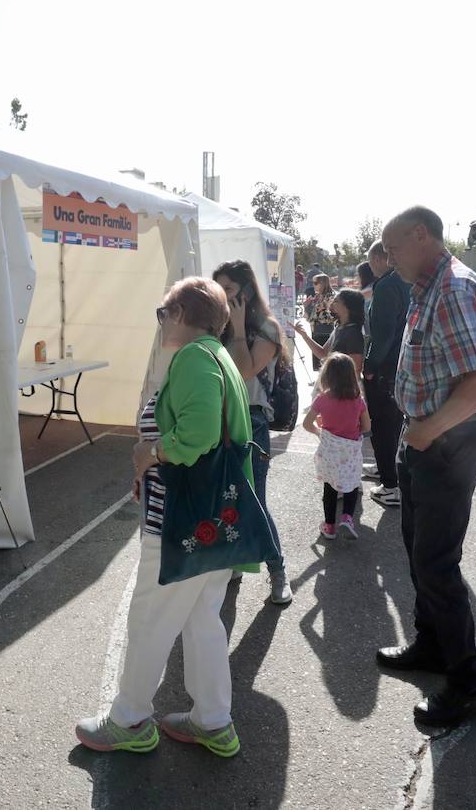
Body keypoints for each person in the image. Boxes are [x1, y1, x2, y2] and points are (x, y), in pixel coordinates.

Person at [75, 277, 248, 757]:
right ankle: (213, 721)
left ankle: (129, 718)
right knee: (201, 622)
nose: (160, 321)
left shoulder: (194, 358)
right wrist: (149, 463)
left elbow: (194, 437)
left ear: (182, 314)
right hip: (214, 520)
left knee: (150, 618)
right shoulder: (217, 355)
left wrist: (148, 454)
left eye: (162, 312)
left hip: (181, 523)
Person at [375, 206, 476, 727]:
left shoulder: (453, 287)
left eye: (394, 247)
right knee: (416, 548)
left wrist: (429, 429)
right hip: (423, 437)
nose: (388, 258)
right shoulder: (425, 286)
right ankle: (431, 645)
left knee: (436, 562)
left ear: (421, 236)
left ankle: (470, 684)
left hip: (445, 441)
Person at [213, 260, 293, 605]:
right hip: (219, 421)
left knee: (254, 499)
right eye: (218, 289)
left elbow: (245, 371)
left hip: (253, 421)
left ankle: (277, 571)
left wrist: (241, 327)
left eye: (227, 289)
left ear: (245, 291)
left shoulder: (267, 330)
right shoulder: (220, 327)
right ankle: (233, 563)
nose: (222, 295)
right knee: (223, 496)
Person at [362, 240, 411, 507]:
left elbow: (382, 333)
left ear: (381, 259)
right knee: (391, 423)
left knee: (383, 424)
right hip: (398, 364)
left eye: (371, 261)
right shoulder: (404, 282)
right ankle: (386, 469)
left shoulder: (386, 285)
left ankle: (391, 484)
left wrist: (370, 366)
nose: (370, 266)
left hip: (385, 367)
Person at [302, 352, 371, 540]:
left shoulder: (322, 399)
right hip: (350, 451)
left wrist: (320, 431)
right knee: (352, 483)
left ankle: (329, 526)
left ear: (327, 376)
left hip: (330, 452)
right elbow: (367, 426)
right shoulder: (358, 400)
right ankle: (347, 518)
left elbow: (307, 424)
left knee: (330, 487)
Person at [293, 287, 366, 374]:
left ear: (347, 307)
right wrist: (304, 335)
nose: (331, 304)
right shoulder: (339, 328)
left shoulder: (353, 333)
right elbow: (323, 353)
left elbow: (356, 368)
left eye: (336, 301)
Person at [305, 274, 337, 367]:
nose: (313, 285)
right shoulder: (318, 296)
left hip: (326, 332)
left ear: (323, 283)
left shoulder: (331, 297)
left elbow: (332, 317)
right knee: (318, 362)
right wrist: (306, 306)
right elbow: (310, 318)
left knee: (325, 361)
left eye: (315, 283)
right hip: (316, 331)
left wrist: (320, 309)